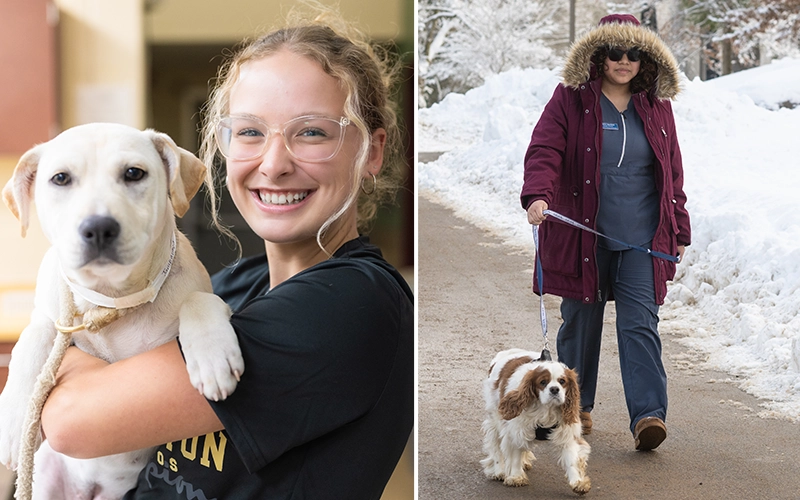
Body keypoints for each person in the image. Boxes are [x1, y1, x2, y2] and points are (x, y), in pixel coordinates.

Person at [40, 6, 413, 499]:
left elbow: (70, 420)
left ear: (373, 151)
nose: (274, 164)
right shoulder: (233, 284)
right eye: (250, 131)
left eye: (313, 131)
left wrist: (50, 342)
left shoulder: (353, 304)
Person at [521, 13, 690, 451]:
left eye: (633, 53)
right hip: (584, 236)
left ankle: (649, 416)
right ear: (599, 55)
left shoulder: (656, 105)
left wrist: (680, 228)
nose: (623, 61)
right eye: (614, 52)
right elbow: (544, 148)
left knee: (640, 326)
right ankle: (573, 409)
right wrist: (538, 194)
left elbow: (671, 171)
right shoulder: (570, 99)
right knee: (580, 323)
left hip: (642, 238)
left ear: (644, 58)